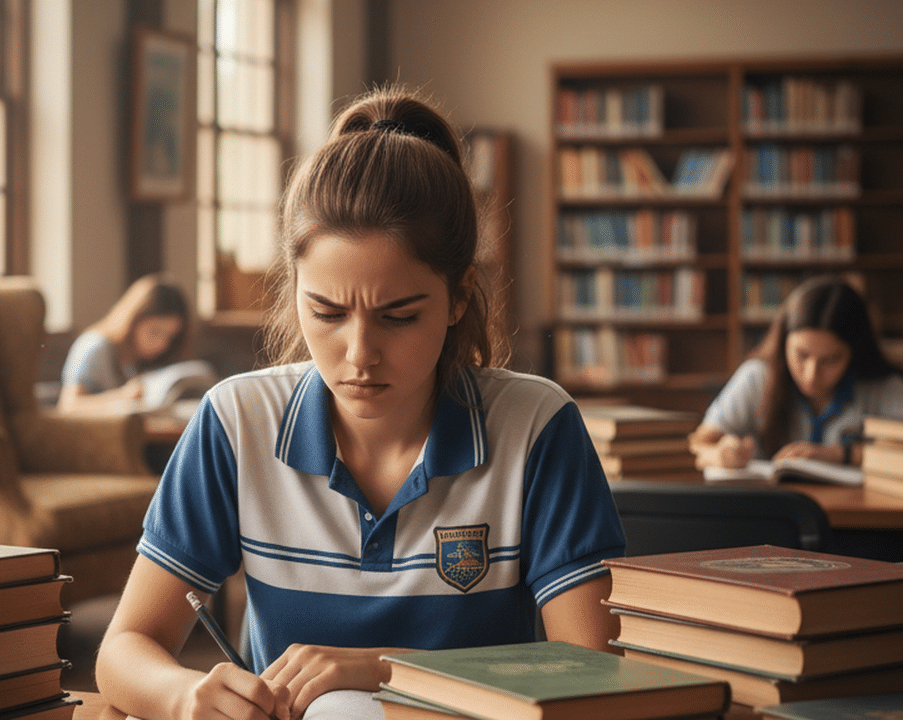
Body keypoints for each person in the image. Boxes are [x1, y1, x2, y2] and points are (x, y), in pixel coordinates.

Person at [94, 87, 626, 720]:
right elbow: (124, 649)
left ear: (458, 299)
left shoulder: (537, 428)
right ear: (294, 291)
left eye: (398, 317)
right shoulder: (236, 423)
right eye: (326, 311)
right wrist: (185, 695)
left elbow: (592, 671)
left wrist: (384, 667)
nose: (358, 354)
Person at [690, 274, 903, 469]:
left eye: (830, 360)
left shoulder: (883, 386)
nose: (810, 374)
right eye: (801, 355)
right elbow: (699, 442)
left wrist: (841, 455)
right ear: (783, 342)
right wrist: (719, 454)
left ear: (854, 352)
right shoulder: (757, 377)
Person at [57, 274, 190, 413]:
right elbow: (68, 406)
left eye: (170, 337)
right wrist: (123, 396)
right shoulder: (94, 345)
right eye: (155, 331)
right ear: (133, 320)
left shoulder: (146, 359)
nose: (162, 344)